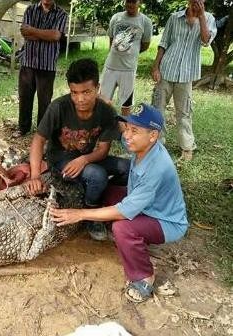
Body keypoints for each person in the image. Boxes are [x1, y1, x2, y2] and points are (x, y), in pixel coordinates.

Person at [50, 104, 189, 303]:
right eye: (128, 128)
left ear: (153, 135)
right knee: (108, 193)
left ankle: (144, 277)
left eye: (135, 130)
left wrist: (79, 214)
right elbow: (118, 128)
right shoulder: (140, 144)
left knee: (122, 227)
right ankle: (132, 240)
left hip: (165, 220)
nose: (127, 136)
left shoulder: (157, 168)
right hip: (147, 206)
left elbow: (123, 211)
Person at [25, 58, 130, 238]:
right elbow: (38, 140)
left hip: (87, 157)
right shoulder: (58, 107)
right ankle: (91, 216)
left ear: (97, 88)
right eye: (74, 92)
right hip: (61, 160)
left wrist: (84, 159)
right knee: (96, 175)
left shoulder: (106, 111)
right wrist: (35, 175)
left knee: (128, 168)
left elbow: (103, 150)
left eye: (86, 92)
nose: (80, 99)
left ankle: (99, 197)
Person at [151, 0, 216, 161]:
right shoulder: (174, 17)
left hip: (186, 74)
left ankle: (187, 147)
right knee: (158, 108)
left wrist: (201, 17)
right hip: (167, 69)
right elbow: (164, 43)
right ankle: (156, 144)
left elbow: (206, 41)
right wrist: (155, 67)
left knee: (184, 112)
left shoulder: (209, 19)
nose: (196, 3)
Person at [14, 0, 68, 138]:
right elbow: (24, 33)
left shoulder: (61, 14)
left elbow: (56, 36)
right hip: (28, 62)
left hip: (47, 64)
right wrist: (46, 34)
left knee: (44, 101)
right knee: (25, 97)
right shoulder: (30, 10)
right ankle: (23, 128)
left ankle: (42, 132)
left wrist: (33, 31)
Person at [100, 0, 153, 116]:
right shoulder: (116, 17)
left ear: (140, 2)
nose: (130, 4)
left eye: (134, 1)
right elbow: (111, 39)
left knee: (126, 105)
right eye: (128, 1)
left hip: (128, 69)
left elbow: (145, 45)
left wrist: (130, 53)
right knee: (102, 101)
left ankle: (124, 131)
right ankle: (103, 127)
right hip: (111, 67)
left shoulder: (146, 22)